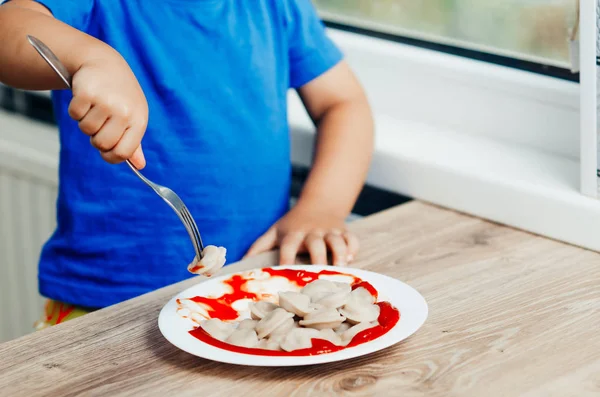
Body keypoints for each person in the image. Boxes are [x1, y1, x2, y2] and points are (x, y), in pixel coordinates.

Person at [0, 0, 374, 326]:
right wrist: (90, 58)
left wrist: (321, 207)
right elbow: (9, 28)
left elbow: (342, 104)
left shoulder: (276, 4)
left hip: (252, 296)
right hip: (106, 304)